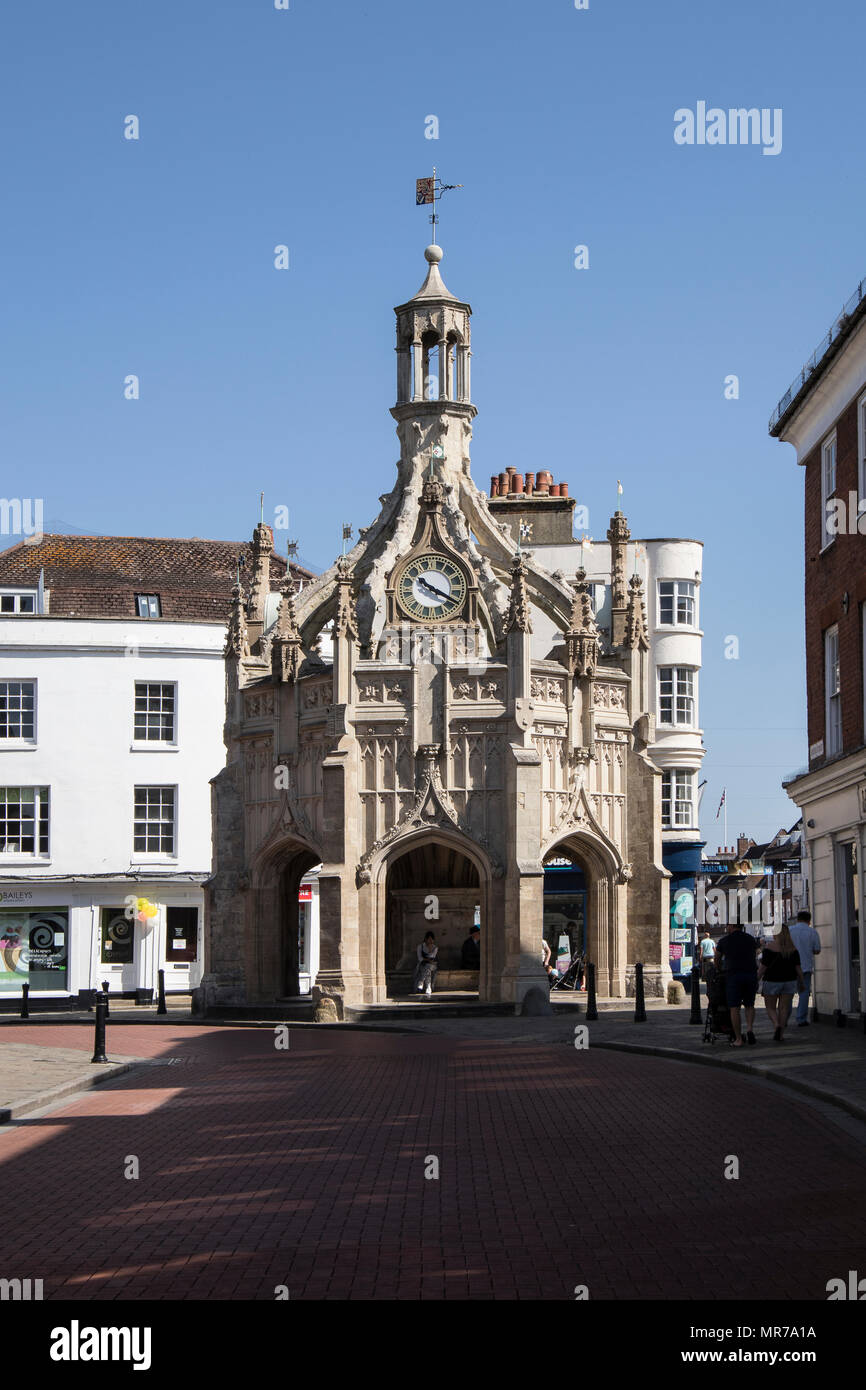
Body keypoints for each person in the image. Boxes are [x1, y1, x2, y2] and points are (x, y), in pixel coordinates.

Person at [758, 922, 806, 1042]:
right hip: (789, 981)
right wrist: (802, 982)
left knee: (770, 1008)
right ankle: (781, 1034)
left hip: (772, 981)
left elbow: (762, 968)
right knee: (784, 1009)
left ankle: (776, 1025)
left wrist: (756, 980)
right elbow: (798, 969)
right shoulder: (793, 949)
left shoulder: (769, 949)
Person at [715, 921, 760, 1047]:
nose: (726, 927)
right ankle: (750, 1029)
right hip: (750, 974)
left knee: (734, 1007)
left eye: (727, 925)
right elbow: (757, 953)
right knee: (749, 1004)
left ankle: (739, 1038)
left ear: (732, 926)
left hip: (733, 975)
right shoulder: (751, 939)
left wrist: (719, 969)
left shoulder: (724, 940)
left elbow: (717, 957)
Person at [787, 910, 821, 1026]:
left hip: (790, 967)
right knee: (804, 992)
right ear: (809, 920)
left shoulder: (789, 931)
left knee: (788, 994)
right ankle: (801, 1019)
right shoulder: (812, 932)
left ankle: (784, 1018)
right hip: (805, 967)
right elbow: (817, 950)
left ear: (798, 919)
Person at [413, 931, 438, 997]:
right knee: (427, 967)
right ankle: (428, 987)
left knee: (428, 966)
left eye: (431, 939)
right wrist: (427, 960)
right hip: (422, 965)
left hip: (432, 966)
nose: (430, 941)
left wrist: (430, 949)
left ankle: (421, 981)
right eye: (428, 939)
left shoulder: (435, 948)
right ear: (425, 939)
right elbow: (420, 958)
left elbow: (432, 957)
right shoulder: (420, 947)